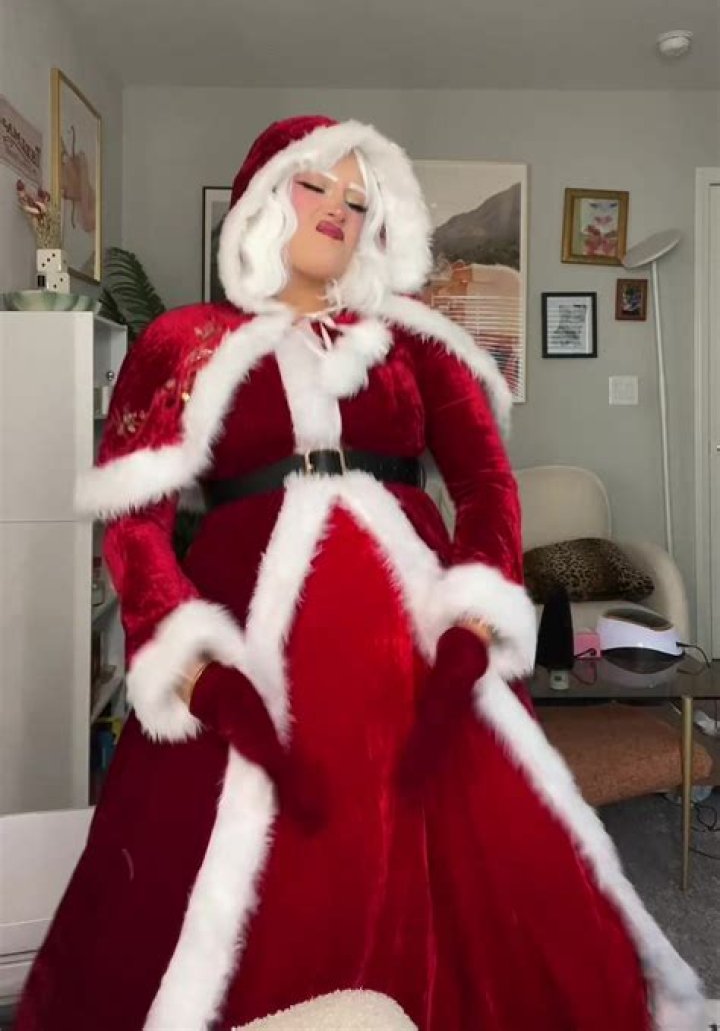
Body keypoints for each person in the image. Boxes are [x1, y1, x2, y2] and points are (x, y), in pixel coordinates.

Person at [15, 116, 702, 1031]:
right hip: (244, 635)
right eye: (316, 185)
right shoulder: (185, 339)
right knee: (206, 878)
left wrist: (474, 615)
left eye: (358, 198)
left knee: (492, 869)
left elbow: (487, 484)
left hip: (418, 636)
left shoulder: (417, 342)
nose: (338, 209)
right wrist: (193, 663)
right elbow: (134, 520)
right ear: (264, 198)